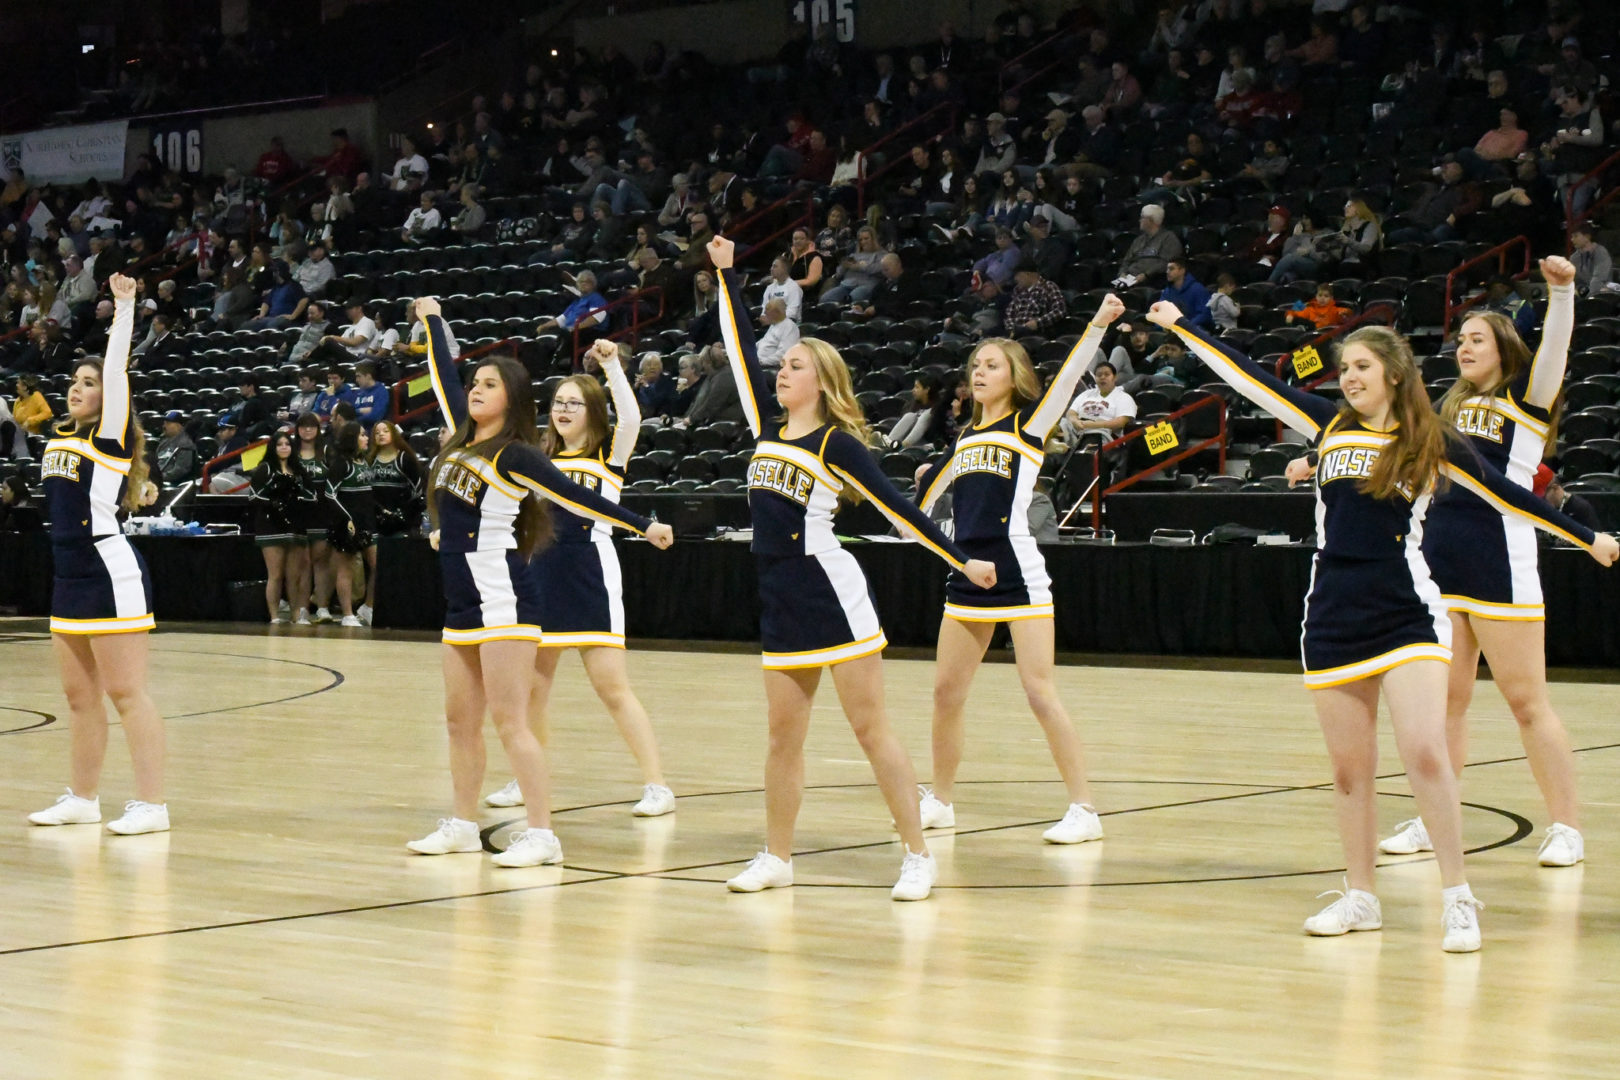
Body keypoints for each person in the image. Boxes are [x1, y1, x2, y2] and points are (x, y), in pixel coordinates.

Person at [1149, 298, 1617, 952]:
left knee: (1425, 751)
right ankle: (1361, 897)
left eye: (1362, 367)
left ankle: (1458, 897)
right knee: (1349, 771)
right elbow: (1249, 377)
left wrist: (1585, 536)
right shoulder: (1327, 426)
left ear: (1394, 374)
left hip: (1407, 611)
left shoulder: (1427, 439)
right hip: (1332, 615)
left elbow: (1505, 493)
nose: (1350, 377)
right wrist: (1181, 327)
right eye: (1345, 368)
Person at [711, 234, 997, 901]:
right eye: (784, 364)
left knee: (871, 730)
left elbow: (901, 510)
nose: (784, 371)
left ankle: (917, 854)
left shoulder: (837, 444)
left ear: (823, 382)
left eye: (797, 365)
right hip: (779, 596)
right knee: (783, 737)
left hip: (832, 591)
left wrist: (964, 561)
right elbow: (739, 346)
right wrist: (727, 275)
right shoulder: (766, 428)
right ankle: (777, 856)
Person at [409, 299, 673, 868]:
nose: (475, 390)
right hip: (465, 599)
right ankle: (462, 824)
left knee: (514, 719)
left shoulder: (519, 455)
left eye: (489, 385)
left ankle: (543, 833)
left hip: (508, 595)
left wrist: (644, 524)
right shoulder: (463, 439)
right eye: (475, 383)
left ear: (512, 398)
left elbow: (580, 498)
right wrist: (432, 320)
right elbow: (443, 375)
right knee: (459, 721)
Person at [1383, 260, 1592, 868]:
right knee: (1443, 705)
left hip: (1502, 563)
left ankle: (1567, 827)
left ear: (1503, 348)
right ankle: (1434, 818)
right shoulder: (1443, 410)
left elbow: (1555, 350)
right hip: (1440, 565)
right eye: (1461, 340)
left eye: (1478, 339)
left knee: (1527, 703)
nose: (1465, 347)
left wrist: (1561, 292)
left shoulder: (1527, 400)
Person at [913, 297, 1124, 842]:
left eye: (992, 365)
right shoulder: (963, 438)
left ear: (1015, 377)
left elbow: (1070, 374)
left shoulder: (1028, 425)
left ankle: (1084, 809)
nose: (980, 373)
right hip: (967, 572)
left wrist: (1097, 324)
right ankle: (941, 800)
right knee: (945, 694)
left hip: (1017, 572)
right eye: (976, 366)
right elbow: (929, 501)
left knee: (1038, 691)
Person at [483, 340, 676, 819]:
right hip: (540, 573)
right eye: (558, 402)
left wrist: (611, 365)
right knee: (532, 690)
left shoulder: (609, 454)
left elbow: (630, 418)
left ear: (592, 411)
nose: (564, 410)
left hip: (591, 571)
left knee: (612, 688)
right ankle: (526, 778)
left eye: (574, 403)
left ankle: (657, 785)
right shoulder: (538, 458)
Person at [28, 273, 172, 836]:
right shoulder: (59, 436)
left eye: (88, 383)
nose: (76, 388)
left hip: (110, 573)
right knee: (79, 697)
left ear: (108, 398)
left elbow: (116, 370)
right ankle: (83, 798)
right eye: (74, 381)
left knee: (126, 694)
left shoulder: (108, 439)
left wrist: (126, 308)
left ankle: (152, 805)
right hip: (68, 575)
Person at [248, 430, 309, 624]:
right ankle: (274, 616)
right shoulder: (265, 468)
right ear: (273, 448)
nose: (284, 447)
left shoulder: (298, 470)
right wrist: (274, 503)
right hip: (271, 525)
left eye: (287, 444)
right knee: (275, 574)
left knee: (294, 576)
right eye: (280, 444)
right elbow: (253, 497)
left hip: (295, 525)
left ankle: (295, 614)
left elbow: (310, 495)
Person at [292, 413, 334, 625]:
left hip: (321, 512)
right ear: (297, 429)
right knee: (302, 563)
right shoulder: (291, 453)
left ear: (318, 429)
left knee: (321, 562)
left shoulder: (326, 452)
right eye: (303, 426)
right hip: (297, 513)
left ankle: (323, 607)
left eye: (312, 426)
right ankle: (301, 609)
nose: (307, 430)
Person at [1062, 358, 1137, 444]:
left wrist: (1093, 425)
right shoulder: (1086, 394)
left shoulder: (1124, 397)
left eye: (1107, 374)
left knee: (1093, 436)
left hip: (1103, 432)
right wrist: (1074, 421)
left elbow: (1120, 422)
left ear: (1115, 377)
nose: (1102, 377)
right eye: (1099, 375)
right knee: (1061, 425)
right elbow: (1071, 412)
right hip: (1077, 428)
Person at [154, 409, 198, 484]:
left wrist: (159, 478)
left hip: (175, 484)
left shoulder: (185, 444)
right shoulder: (163, 443)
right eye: (164, 423)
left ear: (179, 426)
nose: (164, 426)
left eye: (168, 423)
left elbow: (181, 470)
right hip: (159, 480)